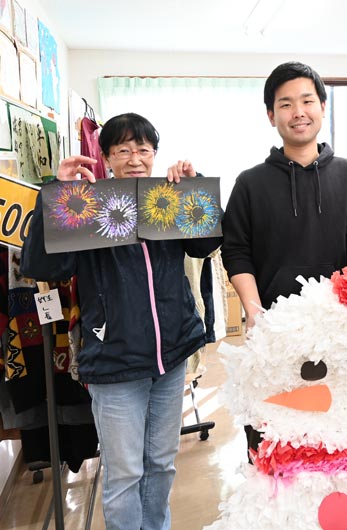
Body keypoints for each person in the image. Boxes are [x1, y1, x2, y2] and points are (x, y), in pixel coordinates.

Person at [21, 113, 222, 530]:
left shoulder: (164, 199)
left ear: (154, 155)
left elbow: (206, 244)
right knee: (125, 473)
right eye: (123, 150)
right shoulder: (89, 206)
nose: (135, 158)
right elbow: (43, 266)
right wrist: (56, 197)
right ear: (106, 158)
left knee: (162, 464)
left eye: (144, 149)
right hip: (114, 362)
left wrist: (193, 185)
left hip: (171, 356)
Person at [221, 61, 347, 455]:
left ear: (323, 107)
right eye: (286, 104)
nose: (298, 112)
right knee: (275, 443)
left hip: (340, 334)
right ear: (272, 115)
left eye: (307, 100)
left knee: (340, 438)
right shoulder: (250, 184)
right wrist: (254, 312)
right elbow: (236, 251)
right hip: (275, 334)